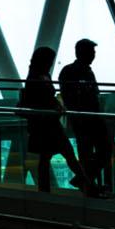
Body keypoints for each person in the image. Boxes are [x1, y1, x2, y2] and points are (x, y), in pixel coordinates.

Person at [18, 47, 85, 193]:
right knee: (66, 153)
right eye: (50, 60)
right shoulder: (39, 77)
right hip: (48, 124)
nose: (51, 63)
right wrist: (56, 106)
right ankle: (86, 184)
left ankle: (45, 190)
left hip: (45, 124)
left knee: (47, 156)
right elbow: (43, 99)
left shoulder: (35, 76)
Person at [59, 38, 109, 197]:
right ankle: (87, 184)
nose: (94, 55)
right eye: (92, 52)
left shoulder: (73, 71)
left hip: (85, 119)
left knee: (88, 153)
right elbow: (75, 97)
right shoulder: (78, 71)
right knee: (102, 150)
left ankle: (85, 181)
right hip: (87, 119)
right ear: (83, 53)